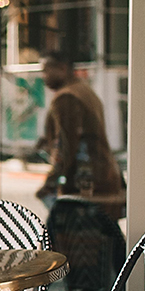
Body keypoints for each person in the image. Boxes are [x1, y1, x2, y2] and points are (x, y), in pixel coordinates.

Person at [36, 51, 126, 221]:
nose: (43, 76)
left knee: (69, 239)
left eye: (46, 70)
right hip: (102, 179)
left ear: (63, 68)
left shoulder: (67, 97)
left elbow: (66, 146)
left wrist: (50, 183)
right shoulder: (84, 91)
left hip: (84, 184)